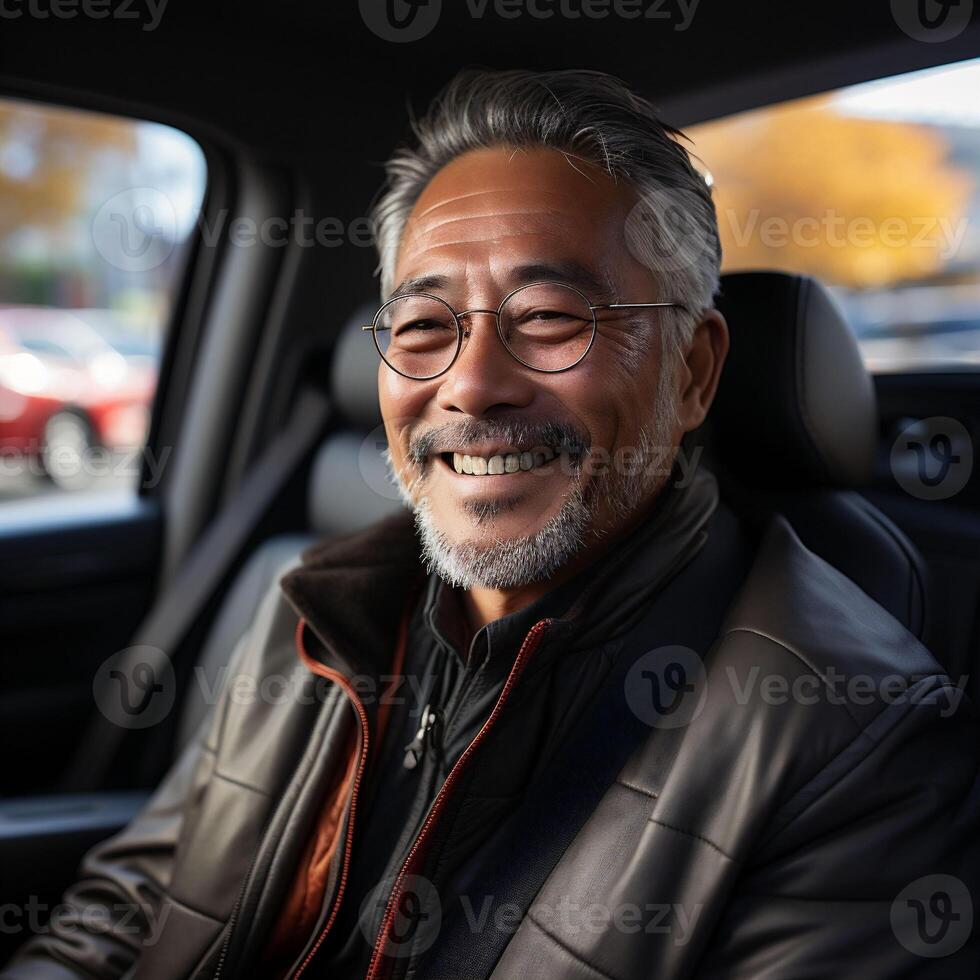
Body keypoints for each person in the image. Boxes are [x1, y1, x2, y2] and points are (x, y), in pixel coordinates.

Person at [5, 68, 977, 980]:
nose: (469, 384)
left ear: (690, 372)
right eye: (425, 326)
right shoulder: (306, 609)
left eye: (550, 316)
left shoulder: (855, 741)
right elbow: (136, 904)